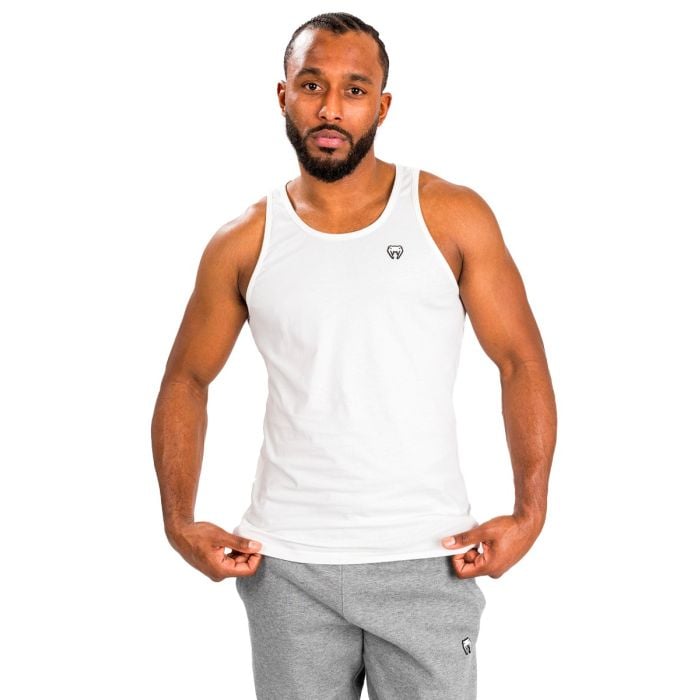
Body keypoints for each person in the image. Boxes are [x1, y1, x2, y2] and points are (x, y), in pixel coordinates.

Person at [151, 11, 557, 700]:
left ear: (383, 106)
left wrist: (530, 513)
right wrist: (179, 522)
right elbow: (186, 378)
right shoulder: (243, 241)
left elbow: (521, 361)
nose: (331, 108)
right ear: (283, 95)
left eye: (355, 89)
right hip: (287, 566)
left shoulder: (451, 216)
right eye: (312, 85)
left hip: (432, 558)